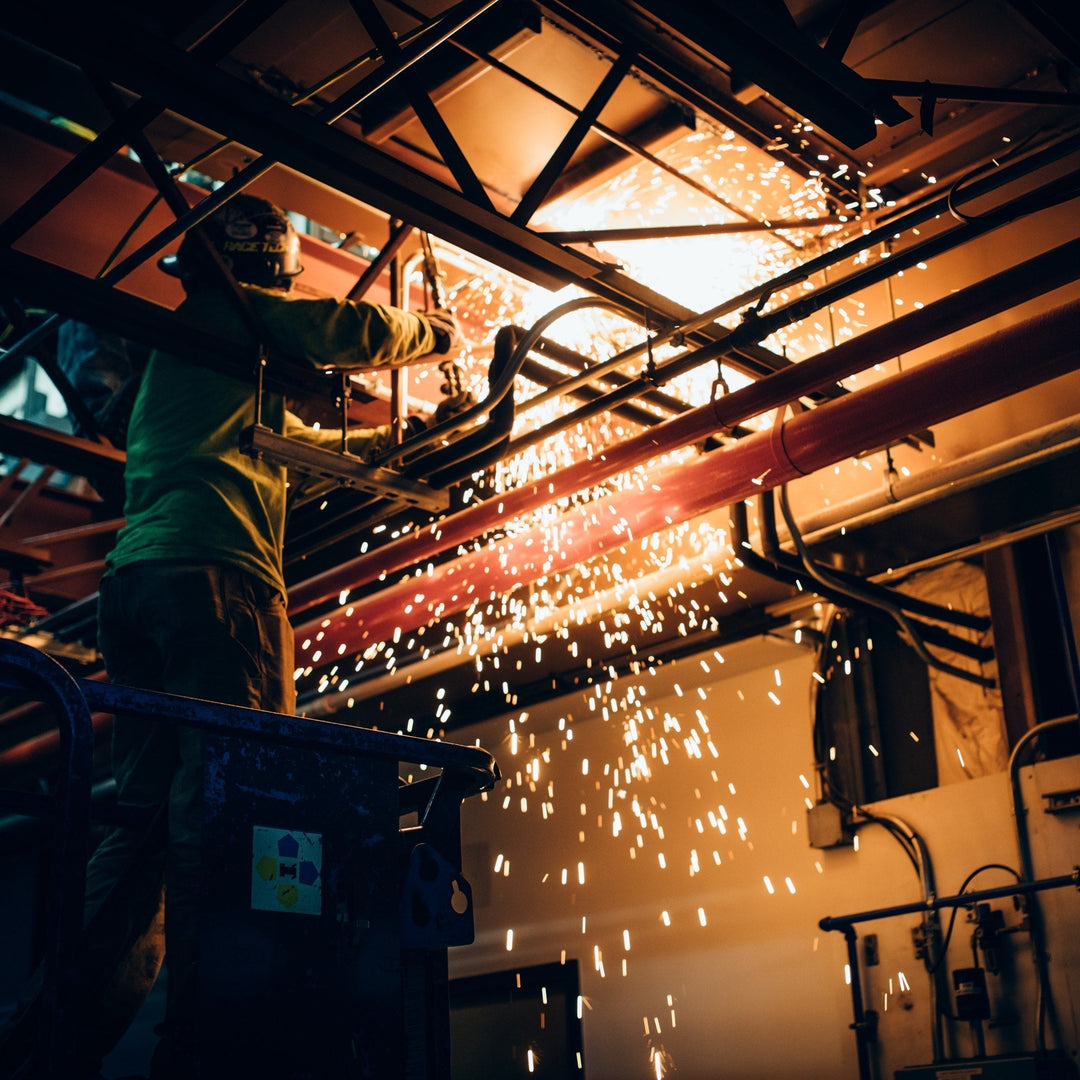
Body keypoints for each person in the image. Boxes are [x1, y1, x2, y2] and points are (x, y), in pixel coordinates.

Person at [0, 193, 463, 1079]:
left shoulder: (191, 358)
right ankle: (213, 1044)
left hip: (134, 587)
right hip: (218, 581)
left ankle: (57, 1038)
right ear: (266, 265)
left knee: (140, 822)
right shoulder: (240, 315)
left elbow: (281, 432)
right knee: (233, 799)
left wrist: (384, 438)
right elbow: (350, 327)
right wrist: (437, 334)